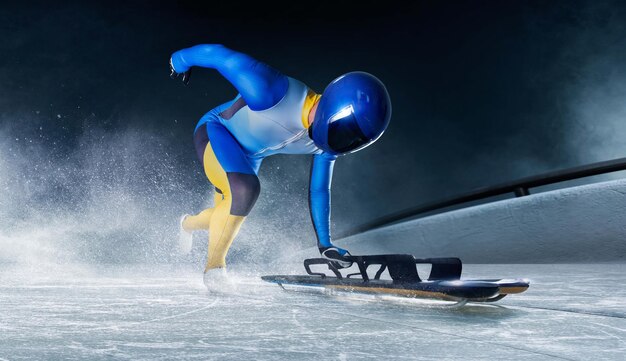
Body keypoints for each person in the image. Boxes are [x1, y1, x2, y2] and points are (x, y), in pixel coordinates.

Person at [169, 44, 391, 281]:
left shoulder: (327, 145)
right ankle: (214, 271)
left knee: (225, 210)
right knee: (244, 191)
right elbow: (222, 57)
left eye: (353, 142)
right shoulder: (273, 92)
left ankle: (186, 224)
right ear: (334, 106)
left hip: (248, 157)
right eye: (345, 130)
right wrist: (179, 60)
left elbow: (319, 189)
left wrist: (325, 243)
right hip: (215, 131)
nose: (341, 143)